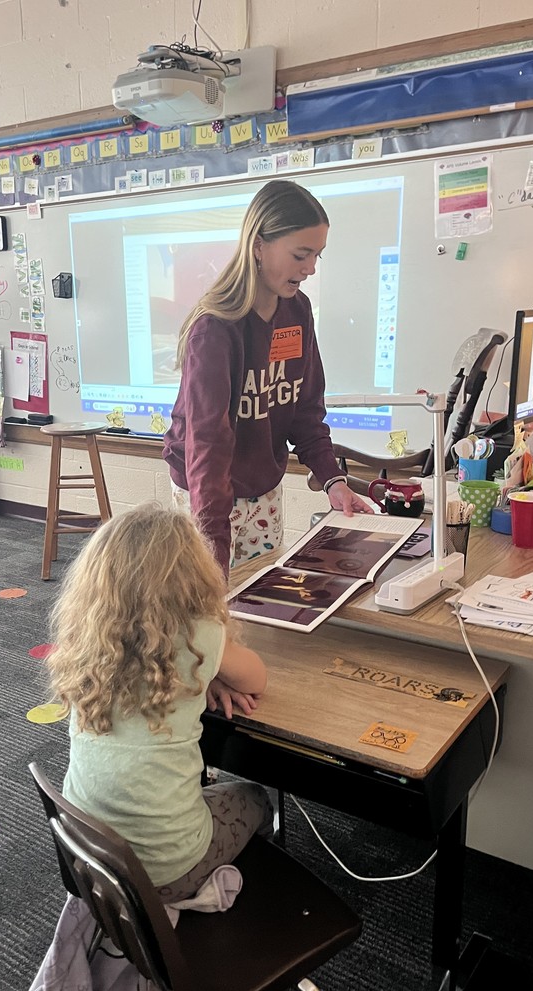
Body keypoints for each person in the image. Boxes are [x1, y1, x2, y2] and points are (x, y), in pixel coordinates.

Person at [48, 504, 274, 903]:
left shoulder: (86, 641)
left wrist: (208, 676)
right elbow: (257, 678)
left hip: (89, 852)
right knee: (255, 797)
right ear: (192, 574)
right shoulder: (199, 634)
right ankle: (230, 912)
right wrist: (212, 669)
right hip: (167, 869)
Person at [162, 178, 372, 577]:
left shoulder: (296, 311)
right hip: (203, 488)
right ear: (258, 245)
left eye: (317, 256)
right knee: (206, 599)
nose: (310, 268)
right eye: (300, 255)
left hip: (261, 487)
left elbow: (304, 409)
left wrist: (332, 479)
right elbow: (208, 445)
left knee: (258, 599)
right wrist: (213, 553)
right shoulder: (215, 330)